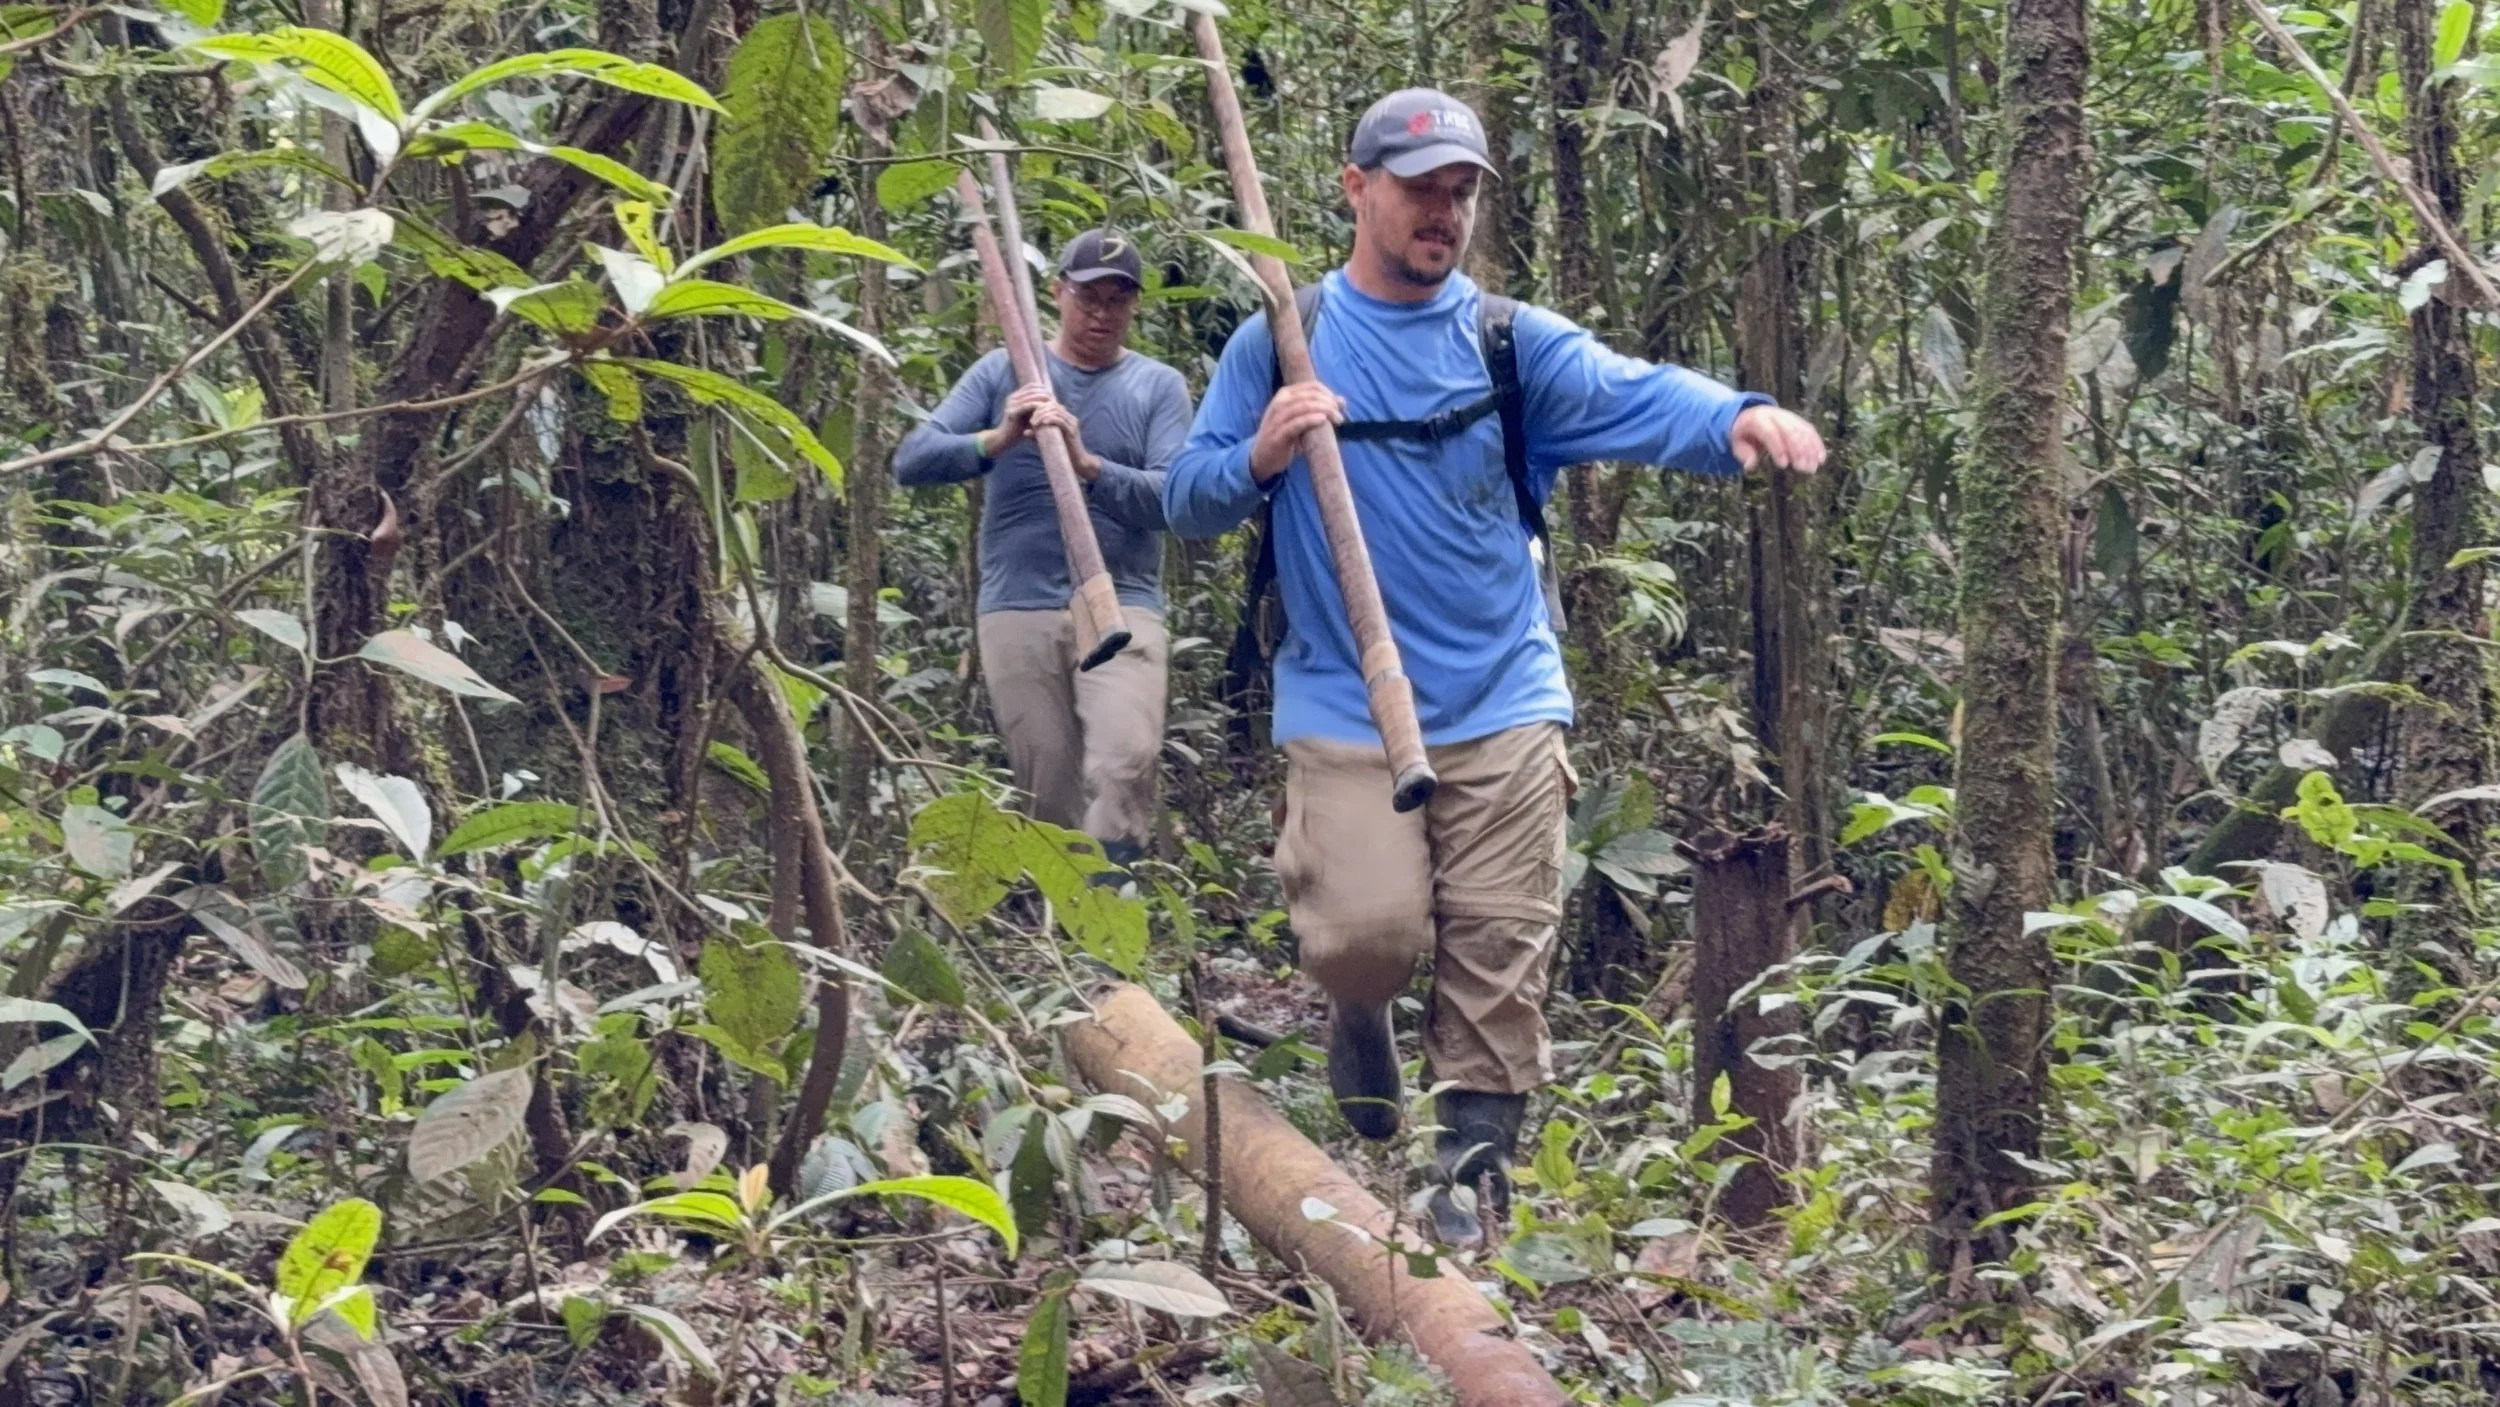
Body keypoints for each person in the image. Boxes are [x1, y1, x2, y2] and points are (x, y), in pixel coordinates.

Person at [1163, 90, 1826, 1244]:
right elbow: (1186, 499)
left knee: (1500, 944)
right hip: (1343, 697)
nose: (1444, 212)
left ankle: (1466, 1176)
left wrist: (1737, 417)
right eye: (1420, 188)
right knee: (1359, 938)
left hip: (1504, 696)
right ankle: (1356, 1011)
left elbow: (1632, 392)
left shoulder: (1508, 344)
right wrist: (1262, 450)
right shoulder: (1280, 337)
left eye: (1461, 192)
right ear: (1356, 188)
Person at [896, 230, 1192, 870]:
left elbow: (1173, 499)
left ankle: (1114, 904)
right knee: (1046, 781)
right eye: (1088, 297)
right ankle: (1061, 912)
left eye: (1117, 300)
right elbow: (912, 460)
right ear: (1059, 293)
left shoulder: (1158, 386)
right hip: (1018, 602)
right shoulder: (1004, 371)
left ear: (1134, 306)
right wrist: (998, 438)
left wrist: (1088, 464)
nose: (1101, 314)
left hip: (1122, 602)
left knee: (1125, 758)